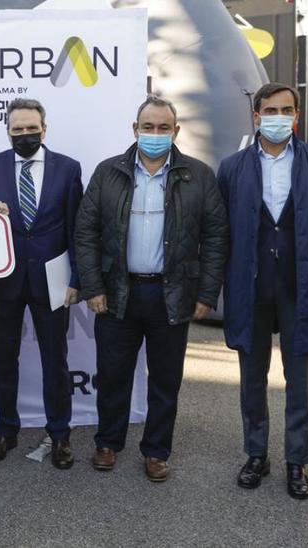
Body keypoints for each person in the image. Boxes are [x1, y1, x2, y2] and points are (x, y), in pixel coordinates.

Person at [75, 96, 227, 482]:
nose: (155, 134)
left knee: (165, 379)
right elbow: (86, 233)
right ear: (135, 129)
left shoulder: (198, 175)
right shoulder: (107, 173)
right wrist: (93, 287)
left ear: (176, 132)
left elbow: (215, 238)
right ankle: (107, 443)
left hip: (171, 294)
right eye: (148, 127)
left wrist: (206, 295)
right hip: (116, 294)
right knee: (112, 375)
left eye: (163, 128)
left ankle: (156, 451)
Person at [216, 83, 308, 500]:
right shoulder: (232, 167)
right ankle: (256, 453)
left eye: (287, 109)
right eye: (270, 110)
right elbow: (220, 229)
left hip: (302, 288)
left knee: (299, 381)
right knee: (251, 378)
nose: (279, 116)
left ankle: (297, 460)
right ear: (256, 116)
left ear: (297, 115)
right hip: (250, 288)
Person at [0, 98, 83, 469]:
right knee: (5, 359)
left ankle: (60, 434)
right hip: (6, 279)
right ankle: (6, 430)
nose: (24, 134)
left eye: (30, 128)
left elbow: (76, 229)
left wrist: (77, 279)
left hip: (53, 279)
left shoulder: (68, 169)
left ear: (44, 128)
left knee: (56, 361)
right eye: (17, 129)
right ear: (7, 130)